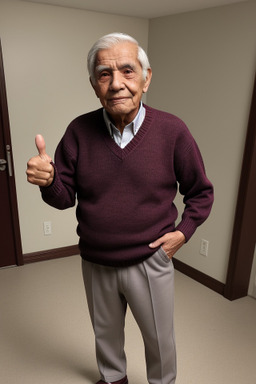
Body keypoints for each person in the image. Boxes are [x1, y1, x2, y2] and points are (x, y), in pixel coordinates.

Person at [26, 32, 214, 384]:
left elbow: (201, 192)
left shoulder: (173, 131)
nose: (116, 84)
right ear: (94, 85)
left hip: (150, 260)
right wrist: (49, 180)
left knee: (160, 341)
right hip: (96, 261)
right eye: (104, 74)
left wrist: (182, 233)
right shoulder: (79, 131)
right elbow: (64, 198)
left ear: (146, 78)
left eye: (128, 71)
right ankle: (113, 380)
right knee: (106, 337)